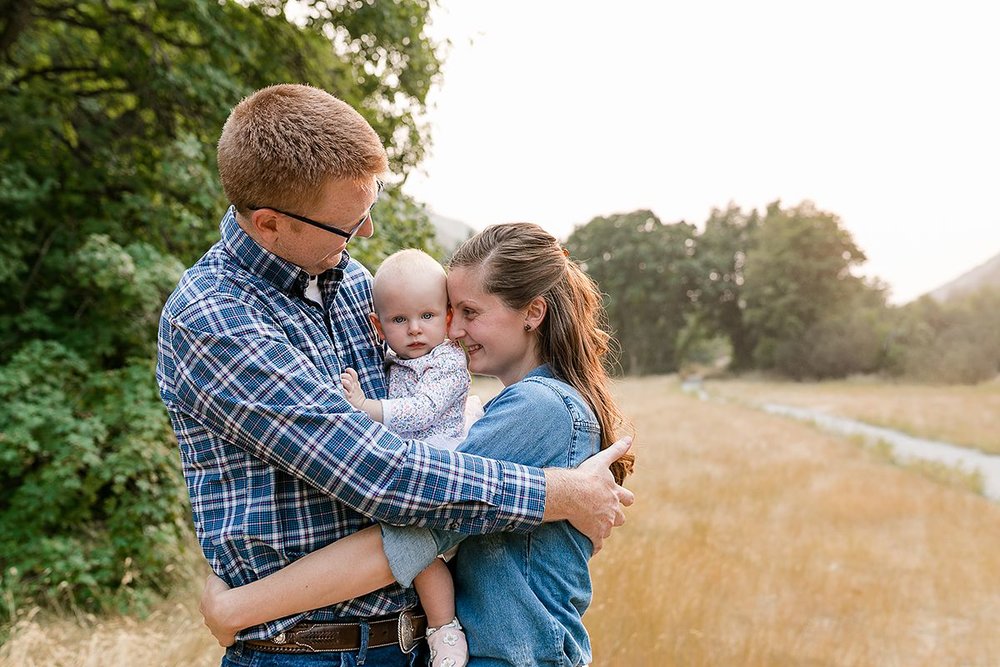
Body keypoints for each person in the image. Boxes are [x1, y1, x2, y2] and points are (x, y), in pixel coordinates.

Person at [155, 83, 633, 667]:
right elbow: (380, 476)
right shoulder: (216, 320)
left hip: (413, 644)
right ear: (270, 222)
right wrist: (558, 494)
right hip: (304, 653)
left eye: (370, 206)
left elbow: (429, 430)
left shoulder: (360, 289)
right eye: (348, 223)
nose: (368, 234)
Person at [199, 222, 636, 667]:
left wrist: (239, 607)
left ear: (532, 313)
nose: (455, 330)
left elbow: (414, 533)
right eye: (451, 312)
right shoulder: (536, 402)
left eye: (469, 312)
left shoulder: (536, 408)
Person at [343, 248, 475, 666]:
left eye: (428, 316)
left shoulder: (449, 363)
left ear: (448, 317)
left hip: (440, 468)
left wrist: (367, 408)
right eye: (399, 320)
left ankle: (444, 630)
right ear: (378, 326)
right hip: (407, 471)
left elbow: (424, 410)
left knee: (424, 556)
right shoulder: (392, 361)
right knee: (419, 560)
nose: (415, 329)